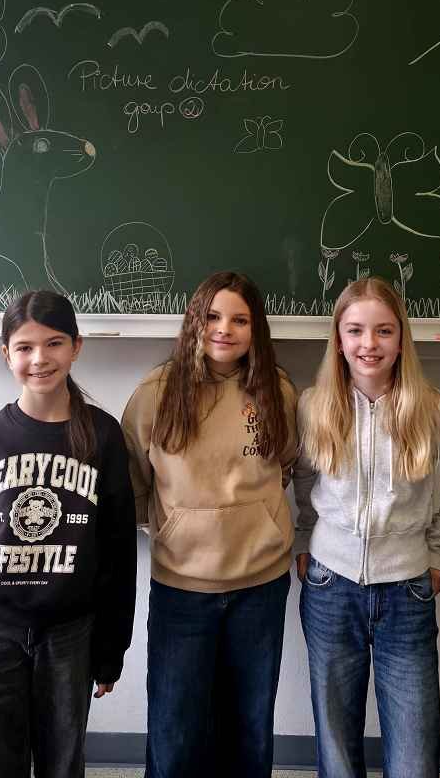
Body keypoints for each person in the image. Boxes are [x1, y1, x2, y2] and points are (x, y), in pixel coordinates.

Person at [0, 290, 137, 778]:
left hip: (71, 636)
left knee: (63, 764)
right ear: (6, 355)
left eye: (54, 343)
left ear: (76, 347)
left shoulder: (102, 437)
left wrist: (111, 650)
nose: (40, 358)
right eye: (25, 347)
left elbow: (118, 551)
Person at [294, 275, 440, 778]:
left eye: (384, 331)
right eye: (355, 330)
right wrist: (304, 539)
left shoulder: (437, 412)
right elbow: (303, 476)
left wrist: (437, 550)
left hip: (407, 591)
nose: (369, 344)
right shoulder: (313, 406)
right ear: (338, 340)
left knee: (415, 752)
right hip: (330, 586)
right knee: (335, 741)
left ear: (401, 340)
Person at [122, 270, 298, 778]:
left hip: (260, 585)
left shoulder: (277, 390)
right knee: (176, 731)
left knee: (248, 730)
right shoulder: (156, 392)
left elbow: (286, 463)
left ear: (255, 329)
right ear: (194, 322)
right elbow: (132, 475)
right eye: (213, 316)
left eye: (240, 320)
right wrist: (171, 527)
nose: (224, 329)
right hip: (181, 588)